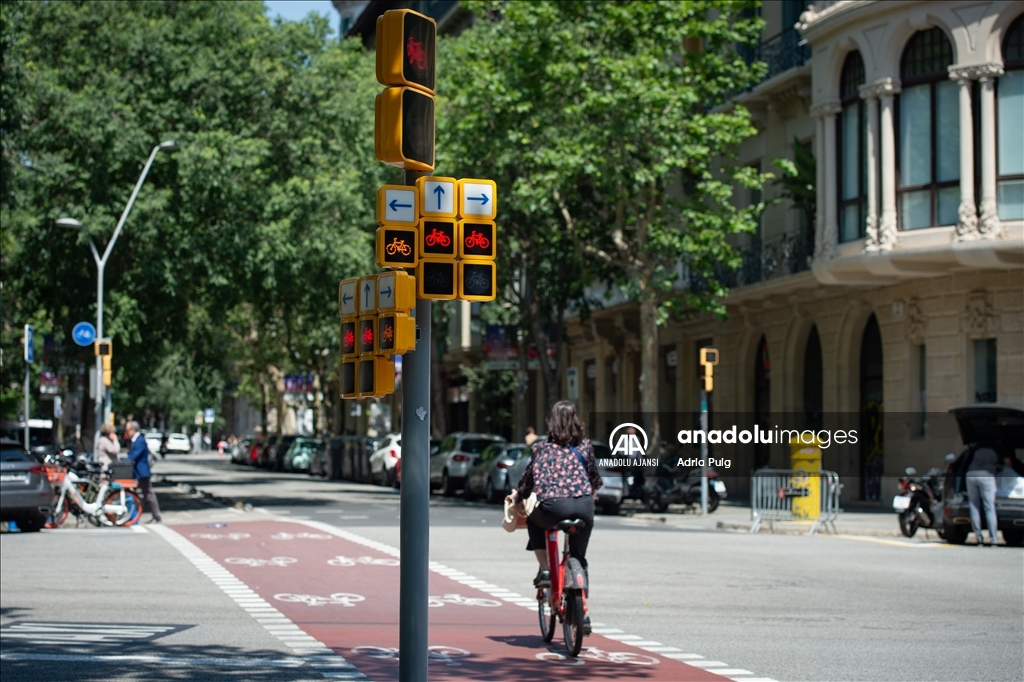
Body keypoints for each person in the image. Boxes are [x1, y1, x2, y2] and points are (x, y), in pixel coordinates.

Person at [515, 400, 602, 631]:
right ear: (577, 420)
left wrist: (518, 497)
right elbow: (595, 480)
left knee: (534, 520)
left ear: (551, 421)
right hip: (584, 507)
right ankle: (584, 612)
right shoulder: (585, 447)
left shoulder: (541, 447)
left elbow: (527, 482)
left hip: (552, 508)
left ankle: (545, 568)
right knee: (579, 558)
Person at [125, 420, 163, 524]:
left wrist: (125, 461)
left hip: (142, 472)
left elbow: (134, 456)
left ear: (133, 430)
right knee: (143, 494)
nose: (127, 433)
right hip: (138, 472)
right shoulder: (135, 440)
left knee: (149, 494)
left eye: (128, 430)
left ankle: (157, 516)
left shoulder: (140, 440)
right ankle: (136, 515)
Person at [966, 447, 999, 546]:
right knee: (989, 507)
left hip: (971, 474)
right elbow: (1009, 463)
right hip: (986, 475)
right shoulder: (998, 448)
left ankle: (978, 538)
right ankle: (993, 540)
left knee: (974, 506)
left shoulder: (976, 448)